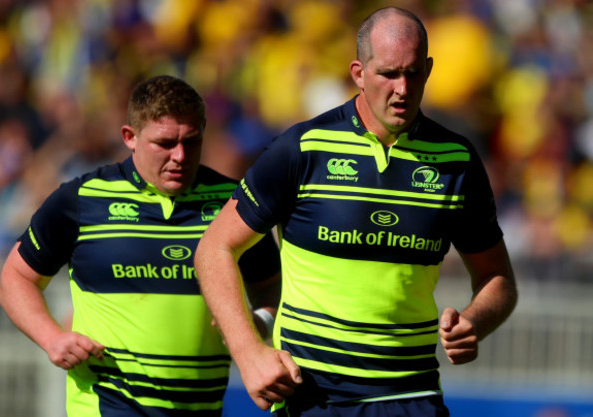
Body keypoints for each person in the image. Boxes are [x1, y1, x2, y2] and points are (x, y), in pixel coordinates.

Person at [194, 6, 518, 417]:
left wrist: (476, 320)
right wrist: (249, 353)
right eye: (388, 74)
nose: (402, 88)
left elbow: (497, 277)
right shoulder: (303, 149)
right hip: (313, 396)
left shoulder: (457, 161)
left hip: (410, 396)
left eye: (414, 73)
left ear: (429, 70)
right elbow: (214, 248)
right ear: (358, 73)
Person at [0, 75, 281, 417]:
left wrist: (259, 323)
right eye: (164, 143)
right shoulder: (82, 200)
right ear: (130, 138)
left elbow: (271, 287)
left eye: (191, 142)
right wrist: (51, 338)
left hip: (199, 408)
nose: (179, 155)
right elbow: (16, 277)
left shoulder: (234, 204)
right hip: (106, 404)